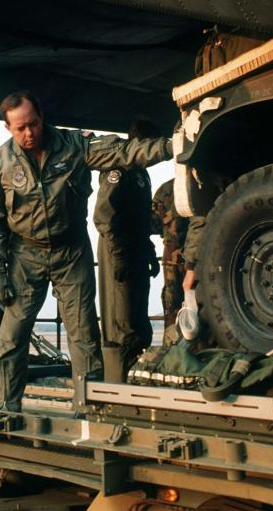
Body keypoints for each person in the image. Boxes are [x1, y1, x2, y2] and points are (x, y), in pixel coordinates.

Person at [0, 91, 174, 411]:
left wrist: (172, 146)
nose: (29, 133)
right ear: (8, 129)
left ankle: (88, 410)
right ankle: (7, 407)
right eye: (20, 129)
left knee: (83, 336)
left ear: (42, 118)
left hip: (71, 253)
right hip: (25, 256)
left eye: (33, 124)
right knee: (12, 337)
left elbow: (126, 152)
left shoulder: (75, 146)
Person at [94, 118, 162, 382]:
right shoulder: (118, 168)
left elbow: (141, 218)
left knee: (138, 317)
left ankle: (132, 376)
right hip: (117, 249)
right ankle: (116, 380)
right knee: (121, 319)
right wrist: (118, 255)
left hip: (135, 249)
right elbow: (103, 216)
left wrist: (148, 251)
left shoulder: (141, 173)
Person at [151, 178, 189, 330]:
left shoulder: (165, 189)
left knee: (172, 303)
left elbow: (153, 225)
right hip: (198, 255)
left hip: (172, 257)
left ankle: (172, 344)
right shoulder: (205, 181)